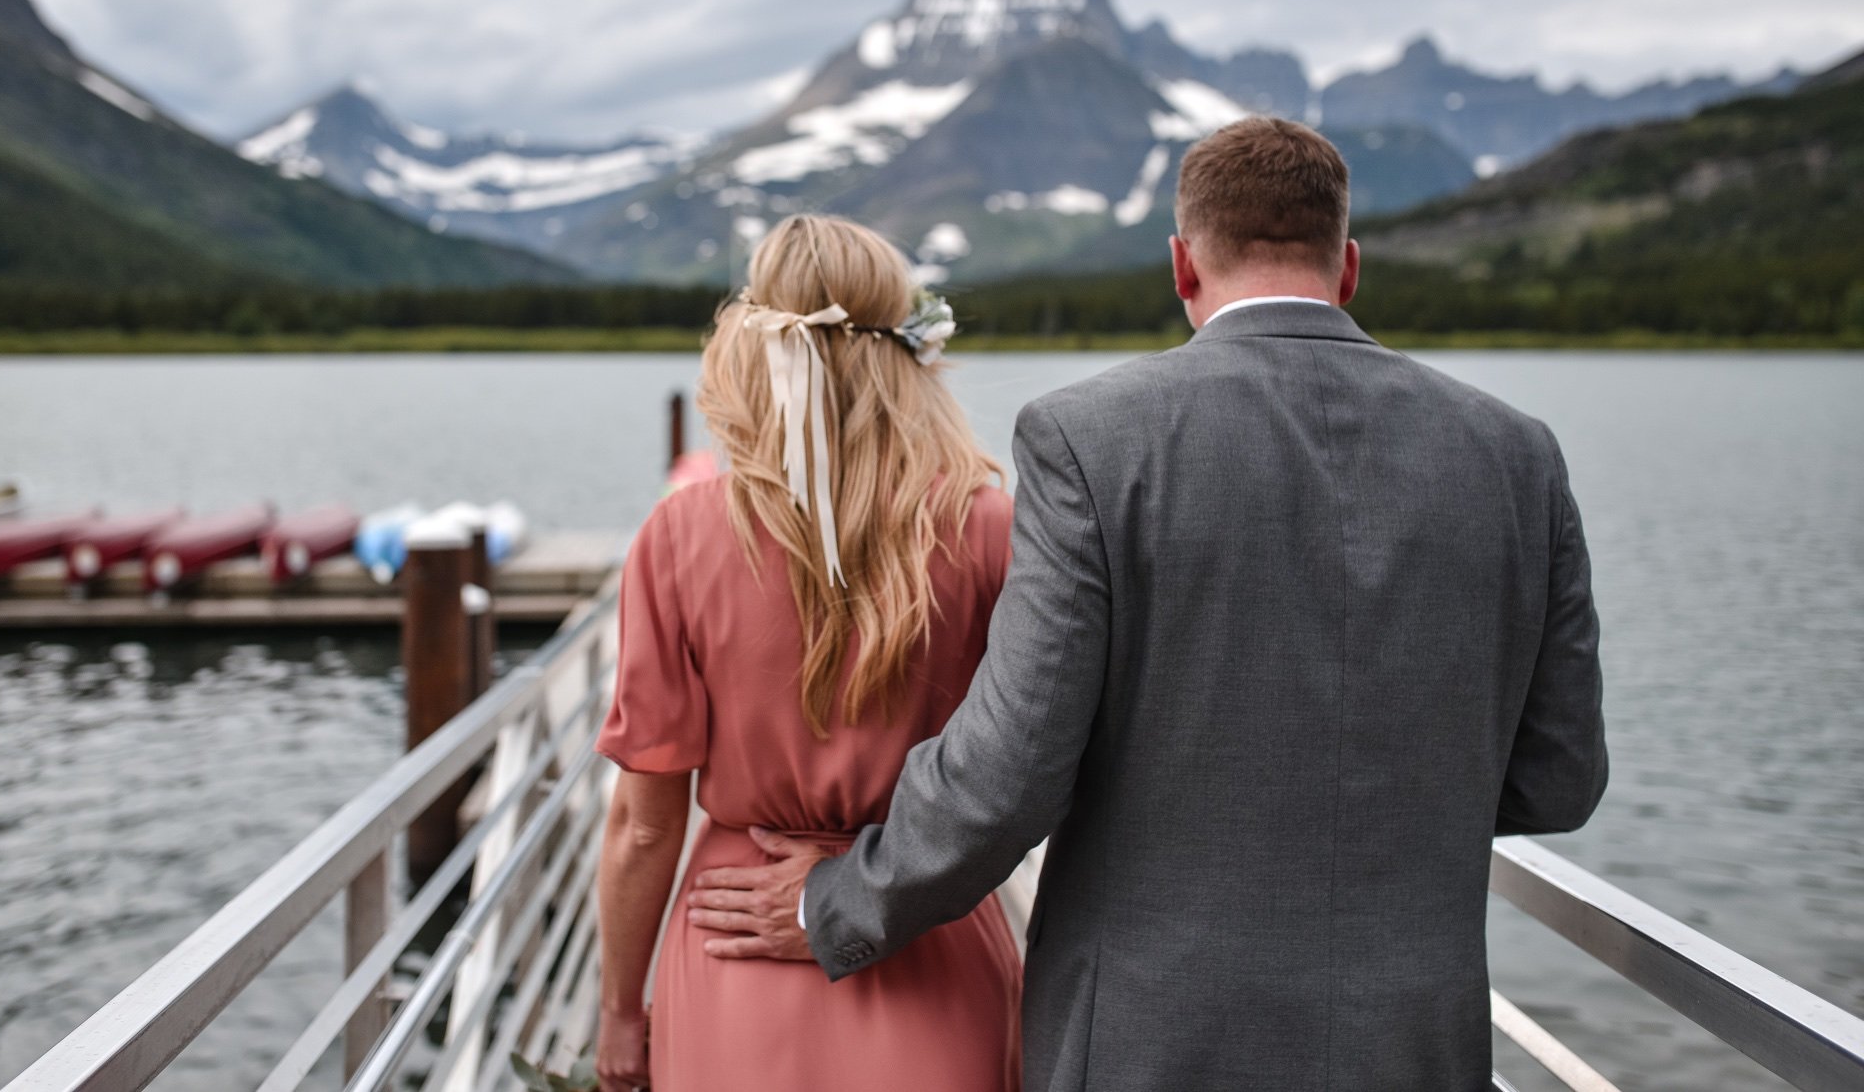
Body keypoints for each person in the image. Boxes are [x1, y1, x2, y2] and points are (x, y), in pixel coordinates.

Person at [690, 117, 1610, 1091]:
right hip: (1415, 1043)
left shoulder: (1090, 441)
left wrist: (835, 903)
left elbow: (1008, 774)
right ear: (1346, 268)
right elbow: (1557, 778)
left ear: (1181, 265)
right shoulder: (1516, 456)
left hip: (1145, 1043)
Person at [592, 214, 1023, 1092]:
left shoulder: (679, 534)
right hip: (922, 926)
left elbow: (643, 825)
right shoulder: (989, 530)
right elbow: (1034, 771)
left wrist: (619, 1013)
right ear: (908, 358)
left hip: (729, 939)